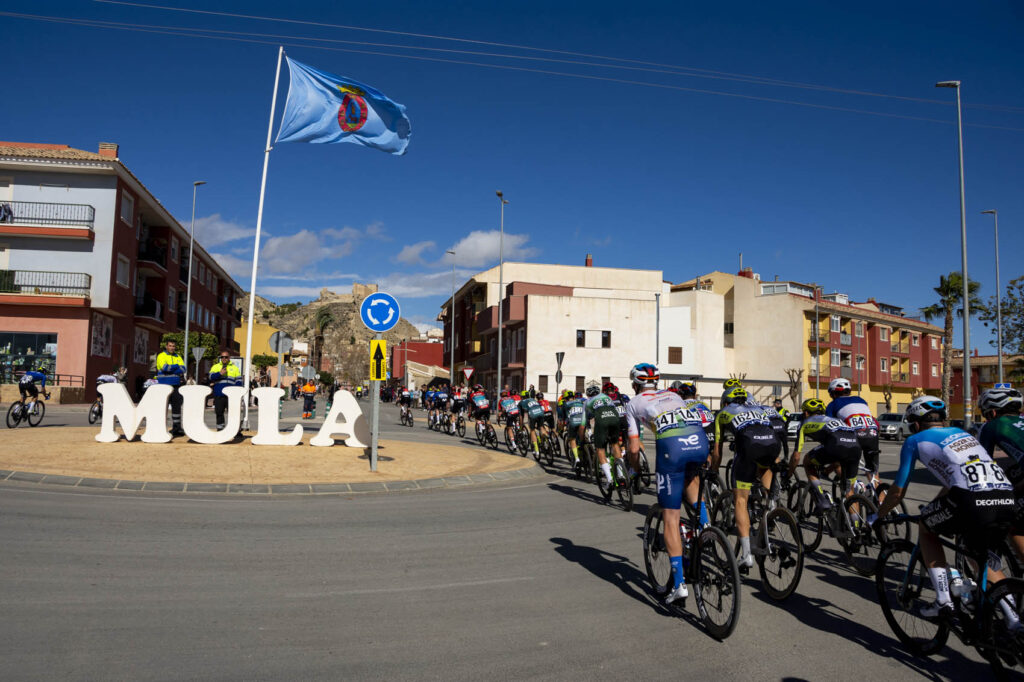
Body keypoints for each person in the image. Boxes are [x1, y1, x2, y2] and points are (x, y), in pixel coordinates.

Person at [874, 396, 1017, 621]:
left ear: (915, 424)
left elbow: (897, 491)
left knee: (926, 527)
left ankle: (943, 601)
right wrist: (935, 506)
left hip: (970, 500)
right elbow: (955, 481)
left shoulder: (915, 440)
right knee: (980, 556)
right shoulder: (965, 435)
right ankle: (1013, 620)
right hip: (1006, 496)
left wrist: (878, 515)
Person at [626, 362, 713, 604]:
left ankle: (678, 584)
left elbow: (634, 447)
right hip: (699, 442)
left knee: (671, 518)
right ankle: (707, 532)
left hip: (672, 450)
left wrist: (634, 469)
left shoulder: (633, 404)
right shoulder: (674, 394)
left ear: (635, 384)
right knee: (692, 484)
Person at [714, 386, 781, 568]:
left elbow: (717, 451)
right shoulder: (758, 408)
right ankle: (771, 506)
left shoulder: (723, 413)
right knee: (763, 472)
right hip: (773, 444)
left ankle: (746, 555)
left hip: (749, 445)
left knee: (740, 501)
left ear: (726, 402)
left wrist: (713, 471)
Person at [976, 387, 1024, 562]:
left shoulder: (992, 426)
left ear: (993, 412)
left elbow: (982, 465)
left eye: (986, 414)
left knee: (1014, 526)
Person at [790, 398, 861, 511]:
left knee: (807, 461)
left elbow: (796, 456)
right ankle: (855, 526)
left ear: (806, 412)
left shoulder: (804, 423)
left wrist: (789, 473)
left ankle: (822, 500)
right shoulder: (833, 419)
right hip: (856, 446)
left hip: (836, 445)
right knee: (849, 491)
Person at [825, 378, 881, 489]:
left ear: (833, 393)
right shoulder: (861, 400)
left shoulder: (833, 404)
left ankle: (855, 487)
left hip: (854, 438)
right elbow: (874, 422)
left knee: (840, 464)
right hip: (873, 435)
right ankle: (879, 500)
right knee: (873, 472)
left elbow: (830, 427)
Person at [585, 384, 623, 485]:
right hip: (615, 418)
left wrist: (582, 437)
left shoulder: (587, 402)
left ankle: (610, 479)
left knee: (600, 448)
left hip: (602, 421)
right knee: (615, 444)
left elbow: (584, 423)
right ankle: (621, 475)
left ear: (588, 395)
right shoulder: (607, 397)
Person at [155, 339, 186, 437]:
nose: (172, 348)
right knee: (162, 408)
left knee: (176, 408)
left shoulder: (178, 356)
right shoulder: (161, 356)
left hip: (176, 386)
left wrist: (171, 368)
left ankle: (177, 428)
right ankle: (159, 428)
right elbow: (164, 368)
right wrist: (176, 366)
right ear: (166, 346)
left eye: (173, 346)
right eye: (170, 345)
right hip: (164, 386)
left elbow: (183, 369)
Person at [209, 352, 242, 431]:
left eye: (226, 357)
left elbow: (239, 381)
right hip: (219, 394)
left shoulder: (235, 368)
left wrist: (236, 392)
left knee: (234, 413)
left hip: (231, 396)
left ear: (229, 358)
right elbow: (210, 377)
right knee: (219, 413)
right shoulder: (215, 366)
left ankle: (236, 431)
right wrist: (219, 373)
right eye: (222, 357)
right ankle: (220, 429)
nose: (224, 358)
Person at [517, 390, 546, 458]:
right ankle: (547, 440)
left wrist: (521, 427)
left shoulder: (520, 403)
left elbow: (521, 417)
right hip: (541, 412)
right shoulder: (533, 399)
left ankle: (536, 450)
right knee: (541, 427)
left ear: (522, 397)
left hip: (533, 414)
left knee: (532, 430)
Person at [562, 390, 587, 469]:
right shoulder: (581, 401)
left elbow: (564, 418)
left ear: (565, 398)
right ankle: (586, 451)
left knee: (572, 439)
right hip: (583, 421)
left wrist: (564, 425)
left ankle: (577, 458)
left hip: (573, 422)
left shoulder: (565, 404)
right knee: (583, 437)